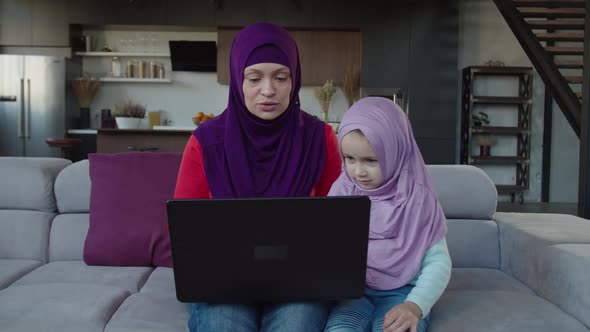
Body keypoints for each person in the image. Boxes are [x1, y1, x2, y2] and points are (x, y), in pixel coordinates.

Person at [174, 22, 342, 332]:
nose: (268, 90)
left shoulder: (321, 138)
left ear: (295, 78)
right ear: (238, 80)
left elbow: (341, 226)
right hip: (222, 282)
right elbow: (185, 236)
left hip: (300, 283)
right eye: (254, 78)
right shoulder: (205, 142)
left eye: (281, 77)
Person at [325, 97, 451, 332]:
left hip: (404, 293)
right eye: (349, 159)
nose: (358, 171)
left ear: (396, 152)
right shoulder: (342, 190)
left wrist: (415, 306)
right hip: (354, 294)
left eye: (371, 160)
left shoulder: (419, 199)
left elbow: (438, 262)